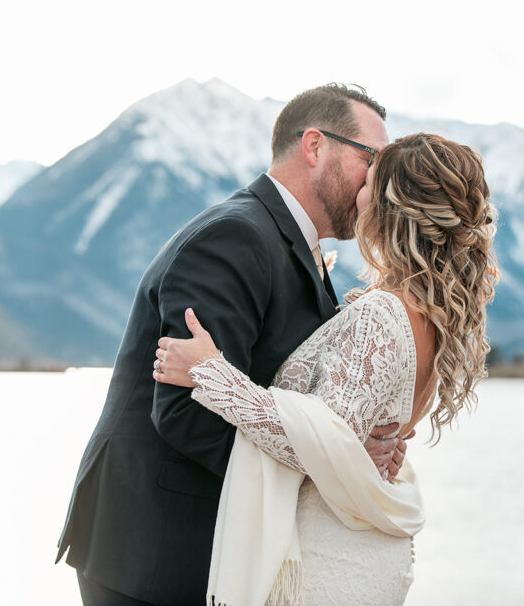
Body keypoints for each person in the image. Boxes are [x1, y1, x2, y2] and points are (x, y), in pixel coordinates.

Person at [56, 84, 411, 606]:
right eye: (371, 158)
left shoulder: (288, 242)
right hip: (155, 549)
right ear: (315, 146)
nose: (376, 182)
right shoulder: (236, 237)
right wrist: (332, 465)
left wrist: (349, 442)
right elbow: (186, 412)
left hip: (197, 546)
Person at [153, 132, 498, 605]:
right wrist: (360, 449)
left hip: (329, 564)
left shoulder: (383, 314)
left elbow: (318, 446)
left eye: (369, 183)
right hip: (360, 553)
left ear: (391, 209)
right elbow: (342, 442)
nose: (357, 193)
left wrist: (211, 373)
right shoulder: (433, 319)